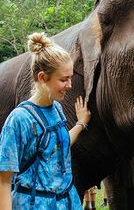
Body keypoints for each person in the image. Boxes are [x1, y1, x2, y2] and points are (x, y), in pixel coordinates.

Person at [0, 32, 91, 210]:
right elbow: (3, 180)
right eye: (63, 79)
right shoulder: (20, 120)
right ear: (42, 78)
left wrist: (81, 123)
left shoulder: (56, 109)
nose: (70, 85)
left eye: (70, 78)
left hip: (67, 201)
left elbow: (58, 146)